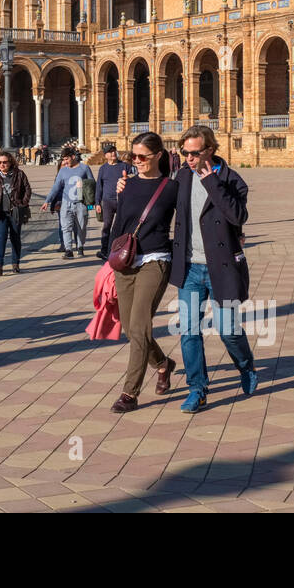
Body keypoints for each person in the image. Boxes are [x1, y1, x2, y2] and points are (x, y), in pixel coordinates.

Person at [171, 124, 256, 413]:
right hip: (190, 268)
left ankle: (246, 366)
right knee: (189, 331)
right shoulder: (182, 176)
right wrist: (126, 187)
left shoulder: (232, 180)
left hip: (222, 268)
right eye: (185, 153)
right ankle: (197, 389)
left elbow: (237, 215)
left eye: (194, 153)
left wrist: (212, 184)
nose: (189, 159)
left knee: (228, 329)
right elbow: (158, 203)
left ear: (210, 150)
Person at [105, 132, 180, 412]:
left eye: (142, 157)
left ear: (158, 155)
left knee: (139, 327)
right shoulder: (127, 185)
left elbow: (187, 221)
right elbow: (119, 225)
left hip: (156, 260)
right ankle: (163, 364)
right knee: (129, 328)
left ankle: (129, 393)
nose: (136, 162)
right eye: (132, 156)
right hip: (126, 261)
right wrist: (108, 264)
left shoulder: (172, 188)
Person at [41, 148, 93, 258]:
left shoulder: (85, 168)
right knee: (66, 227)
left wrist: (92, 201)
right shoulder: (62, 171)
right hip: (66, 203)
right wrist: (47, 201)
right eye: (63, 159)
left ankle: (80, 246)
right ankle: (68, 250)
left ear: (73, 157)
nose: (65, 162)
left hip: (81, 203)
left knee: (81, 227)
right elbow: (56, 187)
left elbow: (92, 184)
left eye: (66, 159)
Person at [0, 150, 31, 275]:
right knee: (0, 238)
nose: (2, 165)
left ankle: (15, 263)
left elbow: (27, 189)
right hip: (1, 212)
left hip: (15, 211)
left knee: (15, 237)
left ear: (10, 162)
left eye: (5, 162)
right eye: (0, 162)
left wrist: (22, 204)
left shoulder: (19, 174)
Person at [94, 143, 129, 261]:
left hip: (122, 202)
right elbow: (99, 186)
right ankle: (104, 250)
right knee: (106, 226)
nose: (113, 153)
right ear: (105, 155)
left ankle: (120, 250)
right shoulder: (103, 168)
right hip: (107, 202)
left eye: (114, 151)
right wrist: (97, 203)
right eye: (110, 152)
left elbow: (133, 180)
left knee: (121, 227)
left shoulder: (124, 166)